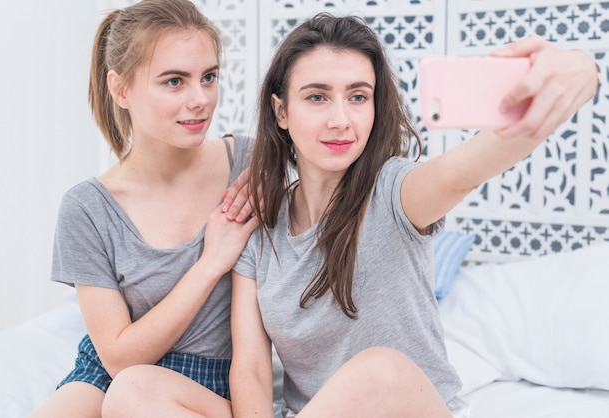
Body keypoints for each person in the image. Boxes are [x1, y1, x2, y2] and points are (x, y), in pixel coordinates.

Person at [229, 13, 598, 418]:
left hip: (404, 408)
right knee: (150, 386)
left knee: (379, 369)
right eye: (317, 97)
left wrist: (582, 69)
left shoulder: (395, 191)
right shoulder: (262, 228)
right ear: (281, 112)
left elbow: (467, 170)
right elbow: (250, 369)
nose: (341, 120)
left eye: (358, 97)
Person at [29, 1, 258, 417]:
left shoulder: (250, 167)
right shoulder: (87, 208)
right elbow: (117, 357)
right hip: (112, 371)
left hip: (207, 380)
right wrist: (211, 263)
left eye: (208, 77)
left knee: (136, 397)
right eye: (174, 82)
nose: (200, 99)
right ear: (120, 90)